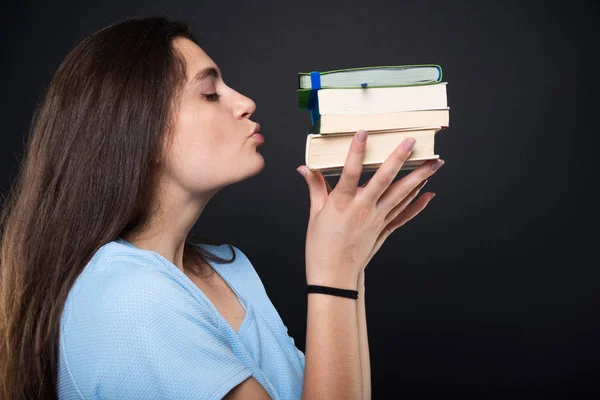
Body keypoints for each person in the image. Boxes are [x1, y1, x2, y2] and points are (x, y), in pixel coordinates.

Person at [0, 16, 444, 400]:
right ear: (140, 129)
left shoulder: (227, 269)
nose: (245, 103)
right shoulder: (129, 302)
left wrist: (352, 265)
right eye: (210, 93)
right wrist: (335, 275)